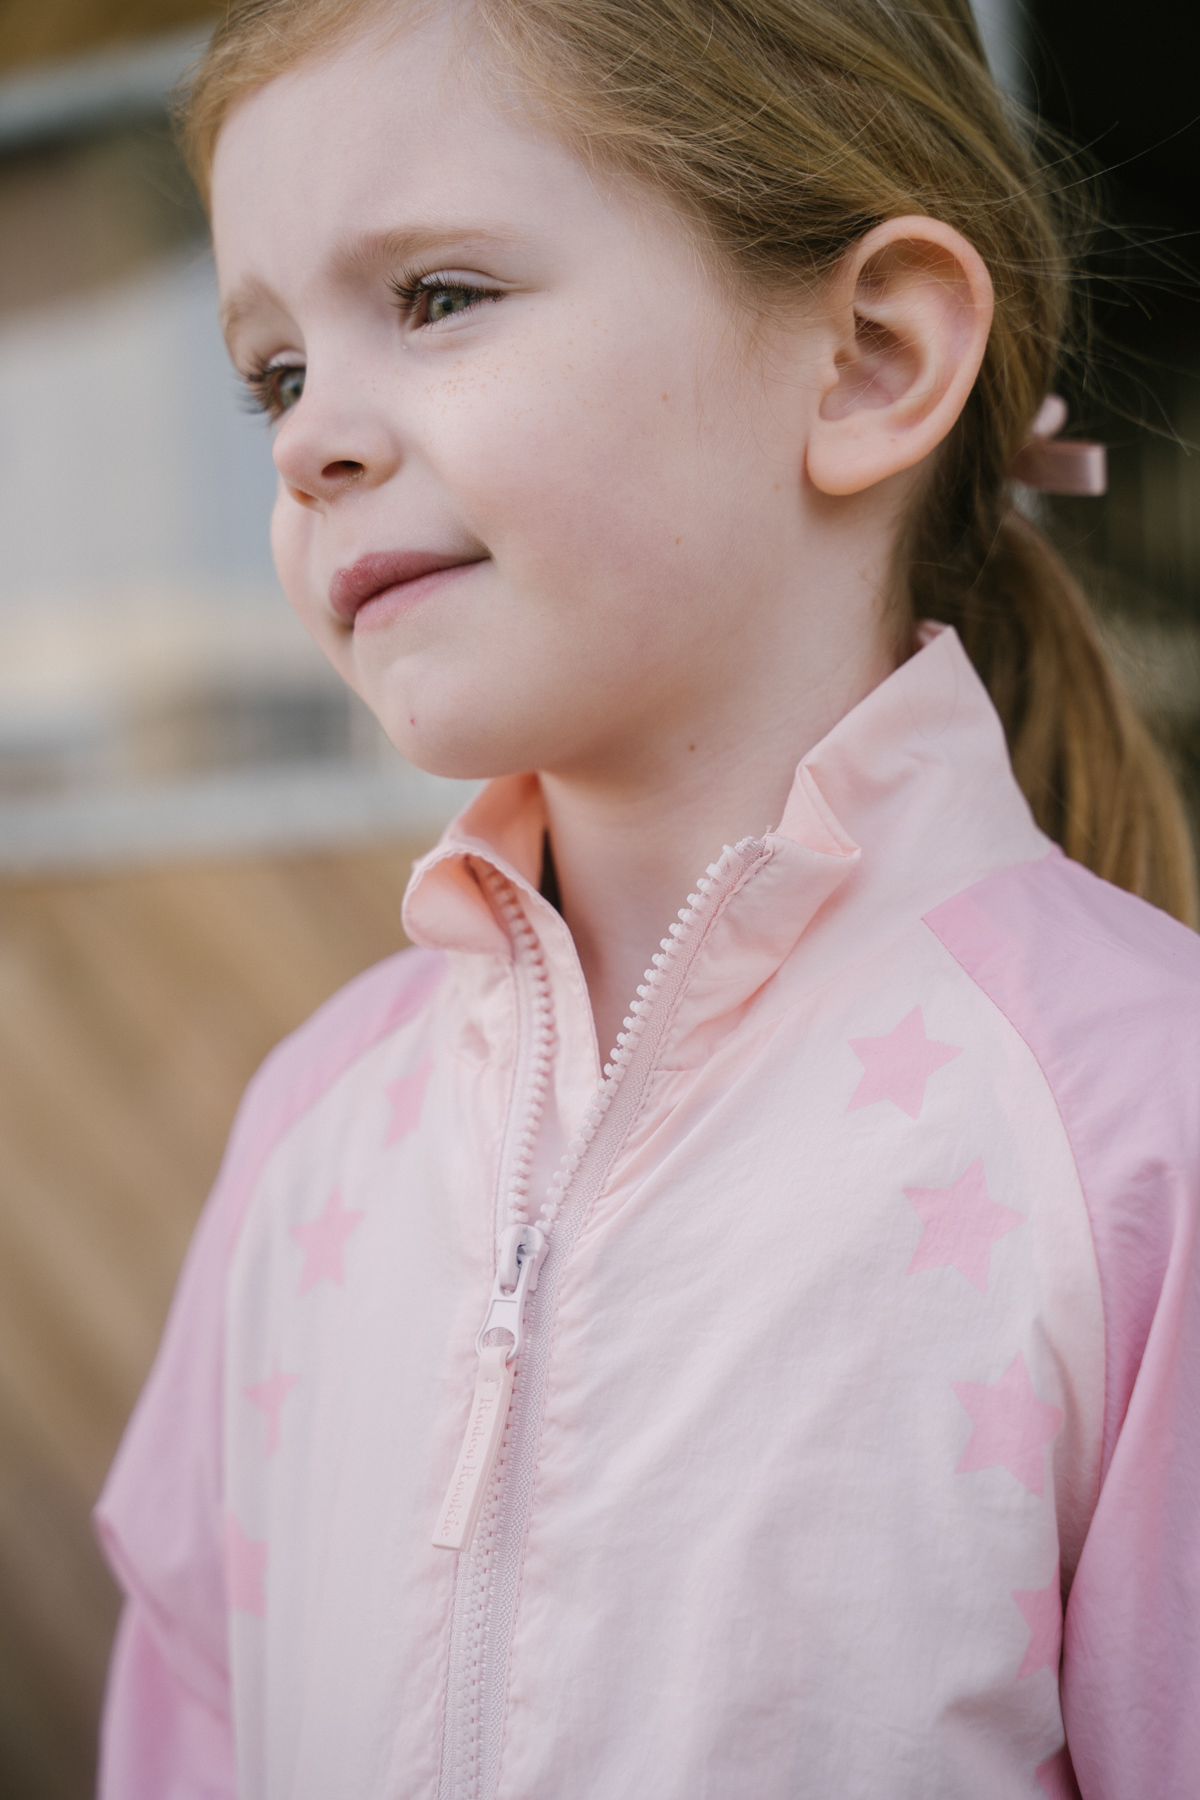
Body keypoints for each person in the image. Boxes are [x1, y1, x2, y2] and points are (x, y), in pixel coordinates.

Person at [94, 1, 1200, 1795]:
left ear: (868, 358)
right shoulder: (312, 1136)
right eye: (276, 374)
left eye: (438, 296)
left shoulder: (1147, 1127)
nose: (305, 445)